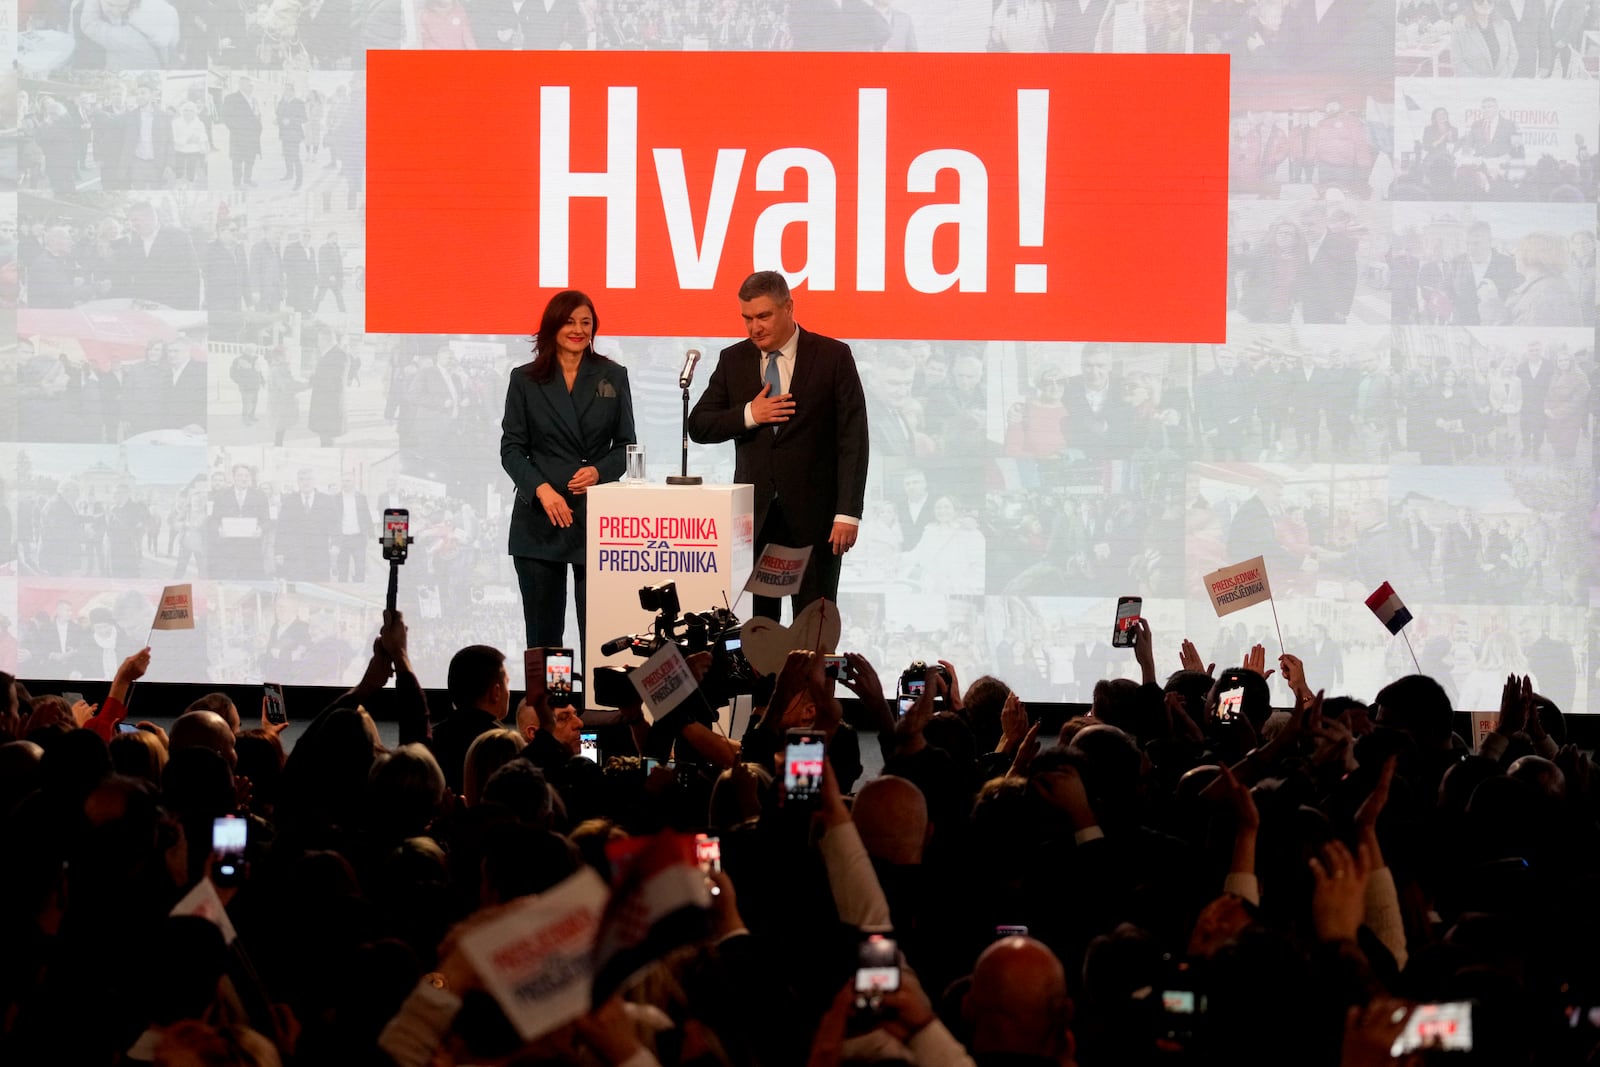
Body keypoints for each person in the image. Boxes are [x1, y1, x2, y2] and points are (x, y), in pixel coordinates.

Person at [688, 271, 870, 622]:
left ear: (789, 307)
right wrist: (749, 414)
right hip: (756, 523)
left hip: (816, 522)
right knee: (758, 631)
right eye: (747, 318)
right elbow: (698, 425)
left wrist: (848, 512)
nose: (754, 327)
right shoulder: (734, 360)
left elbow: (854, 440)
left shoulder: (833, 356)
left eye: (763, 316)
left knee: (813, 628)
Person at [500, 290, 636, 651]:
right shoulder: (525, 379)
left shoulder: (613, 375)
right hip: (539, 522)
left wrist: (598, 471)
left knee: (601, 638)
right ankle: (548, 709)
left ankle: (597, 708)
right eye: (570, 321)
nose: (578, 329)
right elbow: (511, 449)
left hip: (594, 522)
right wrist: (541, 490)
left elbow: (627, 448)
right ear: (553, 326)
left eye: (586, 322)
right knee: (544, 640)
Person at [1450, 0, 1519, 76]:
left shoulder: (1505, 25)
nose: (1485, 3)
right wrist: (1483, 84)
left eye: (1490, 1)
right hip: (1472, 86)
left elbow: (1513, 55)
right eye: (1480, 1)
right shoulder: (1459, 27)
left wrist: (1501, 79)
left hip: (1501, 84)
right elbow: (1458, 62)